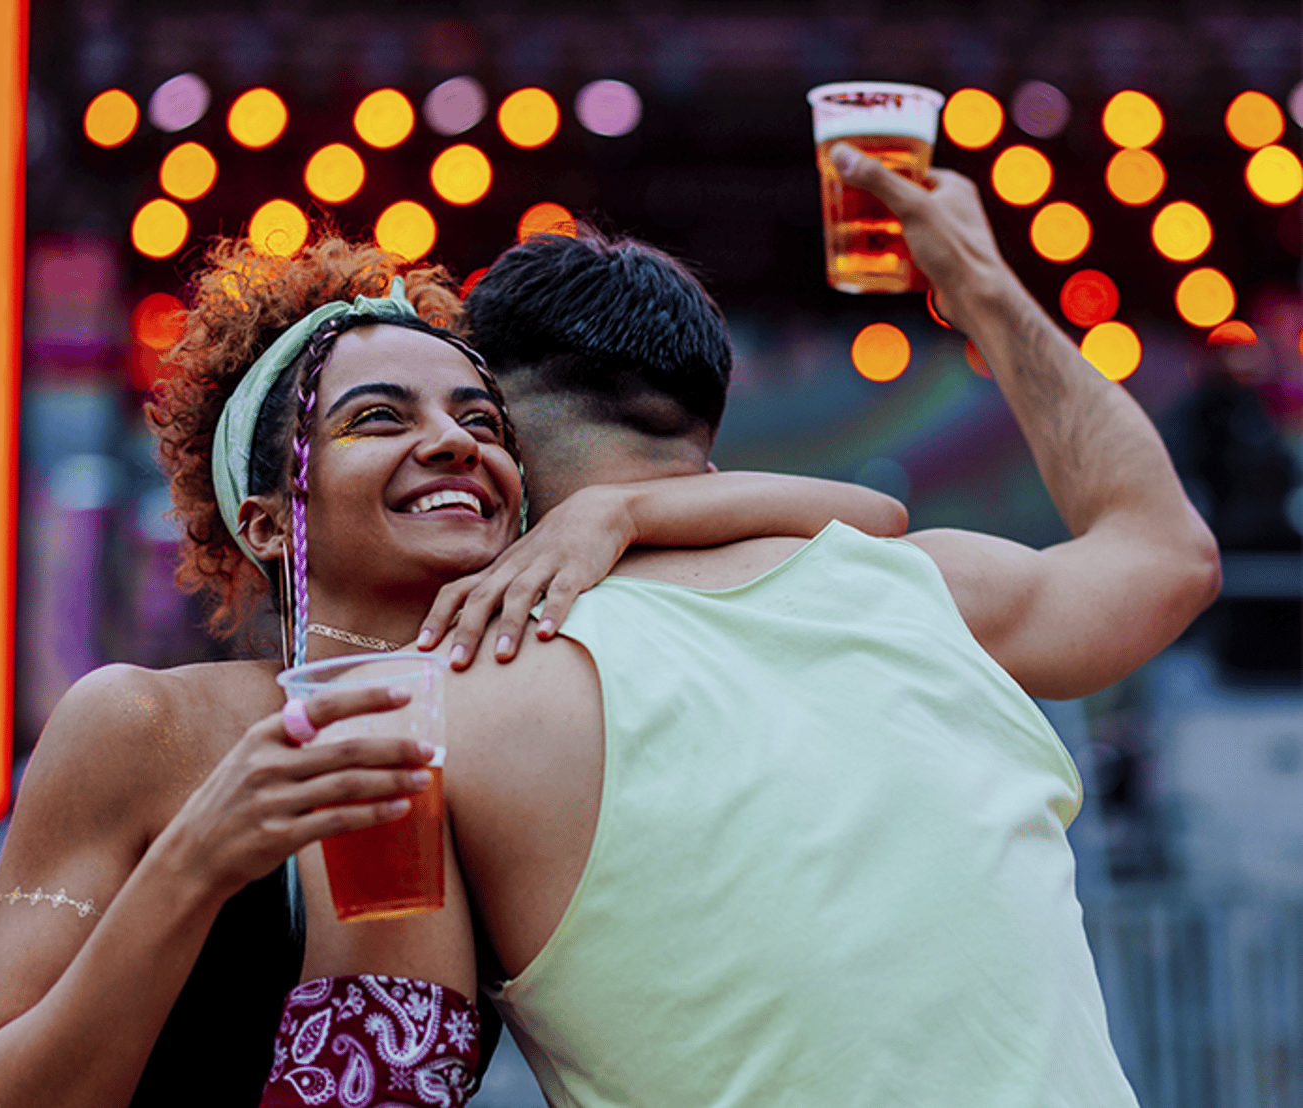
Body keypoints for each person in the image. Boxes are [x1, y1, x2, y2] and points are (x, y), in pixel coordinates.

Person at [0, 236, 904, 1108]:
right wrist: (198, 863)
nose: (455, 442)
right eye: (376, 418)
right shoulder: (141, 724)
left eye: (482, 421)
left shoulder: (522, 708)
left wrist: (620, 515)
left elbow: (868, 521)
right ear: (270, 518)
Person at [382, 145, 1218, 1106]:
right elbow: (1167, 554)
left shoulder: (451, 707)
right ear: (703, 418)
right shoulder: (927, 592)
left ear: (484, 422)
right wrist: (973, 277)